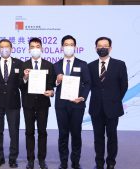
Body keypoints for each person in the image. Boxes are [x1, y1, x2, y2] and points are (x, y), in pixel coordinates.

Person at [88, 37, 128, 169]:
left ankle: (111, 162)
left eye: (105, 45)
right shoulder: (90, 66)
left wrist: (114, 100)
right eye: (99, 46)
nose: (102, 48)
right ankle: (99, 163)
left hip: (113, 107)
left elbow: (124, 86)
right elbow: (87, 85)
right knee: (98, 137)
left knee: (112, 136)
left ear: (110, 48)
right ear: (95, 49)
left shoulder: (120, 64)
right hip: (96, 108)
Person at [54, 35, 91, 169]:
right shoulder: (56, 65)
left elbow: (88, 83)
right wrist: (57, 80)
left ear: (75, 47)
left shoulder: (82, 64)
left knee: (76, 133)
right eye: (66, 44)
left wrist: (82, 97)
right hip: (61, 105)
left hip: (77, 104)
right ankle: (63, 162)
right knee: (63, 134)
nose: (68, 47)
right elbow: (52, 83)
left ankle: (75, 162)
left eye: (71, 44)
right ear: (62, 47)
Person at [0, 39, 23, 168]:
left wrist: (24, 78)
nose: (4, 49)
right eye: (2, 47)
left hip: (13, 102)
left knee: (14, 132)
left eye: (7, 46)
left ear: (11, 48)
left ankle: (13, 159)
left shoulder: (19, 63)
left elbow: (21, 84)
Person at [20, 37, 54, 169]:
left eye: (37, 46)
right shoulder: (23, 65)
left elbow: (51, 85)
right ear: (29, 49)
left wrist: (51, 92)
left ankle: (41, 159)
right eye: (32, 47)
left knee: (42, 132)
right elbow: (20, 85)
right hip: (28, 103)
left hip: (43, 104)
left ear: (42, 48)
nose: (35, 49)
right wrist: (25, 78)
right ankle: (30, 159)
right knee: (29, 132)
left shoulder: (48, 65)